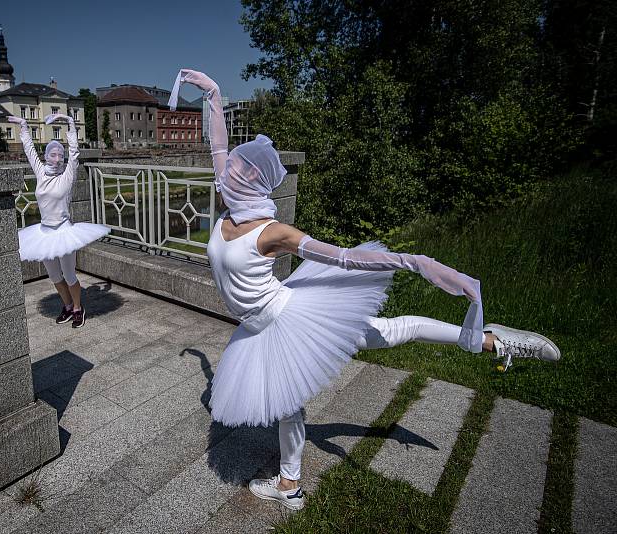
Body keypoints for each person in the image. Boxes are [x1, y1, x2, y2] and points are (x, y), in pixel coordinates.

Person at [167, 69, 561, 510]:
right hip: (258, 326)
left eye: (238, 165)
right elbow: (218, 147)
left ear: (252, 180)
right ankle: (290, 485)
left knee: (390, 333)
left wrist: (414, 262)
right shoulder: (230, 200)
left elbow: (346, 258)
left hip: (290, 318)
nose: (229, 167)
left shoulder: (271, 230)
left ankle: (488, 341)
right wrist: (214, 96)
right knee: (288, 402)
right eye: (233, 163)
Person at [8, 113, 109, 328]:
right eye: (53, 154)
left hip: (64, 232)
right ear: (46, 156)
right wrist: (24, 127)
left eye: (59, 155)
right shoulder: (40, 174)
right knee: (54, 276)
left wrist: (70, 123)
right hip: (44, 233)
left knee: (69, 275)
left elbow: (74, 154)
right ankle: (67, 305)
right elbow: (29, 152)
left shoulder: (68, 176)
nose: (57, 158)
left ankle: (79, 309)